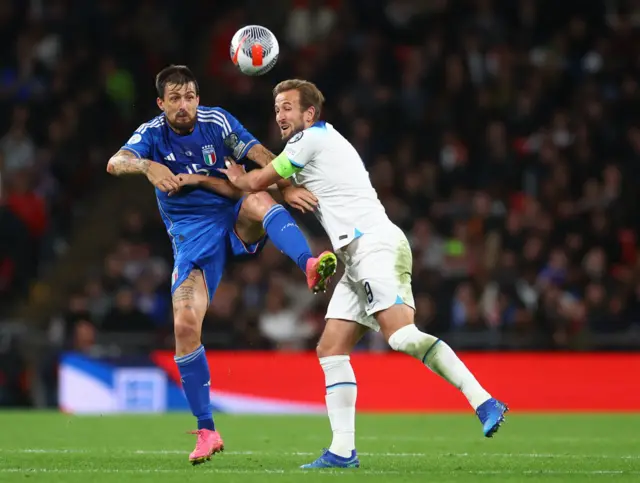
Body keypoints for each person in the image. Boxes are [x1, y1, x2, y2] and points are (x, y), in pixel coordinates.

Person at [220, 79, 508, 469]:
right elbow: (285, 181)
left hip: (375, 246)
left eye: (288, 107)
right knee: (330, 348)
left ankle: (484, 400)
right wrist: (282, 187)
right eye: (276, 108)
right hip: (355, 258)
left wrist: (240, 178)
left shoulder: (311, 140)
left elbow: (259, 181)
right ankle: (342, 451)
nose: (280, 114)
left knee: (402, 336)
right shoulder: (313, 147)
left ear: (309, 114)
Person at [106, 66, 337, 465]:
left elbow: (261, 155)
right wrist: (148, 166)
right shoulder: (152, 135)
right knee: (183, 324)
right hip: (192, 238)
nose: (184, 105)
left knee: (260, 199)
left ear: (198, 97)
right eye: (175, 99)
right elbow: (116, 161)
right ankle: (207, 429)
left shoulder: (217, 122)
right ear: (161, 104)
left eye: (190, 96)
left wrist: (288, 184)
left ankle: (310, 263)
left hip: (232, 212)